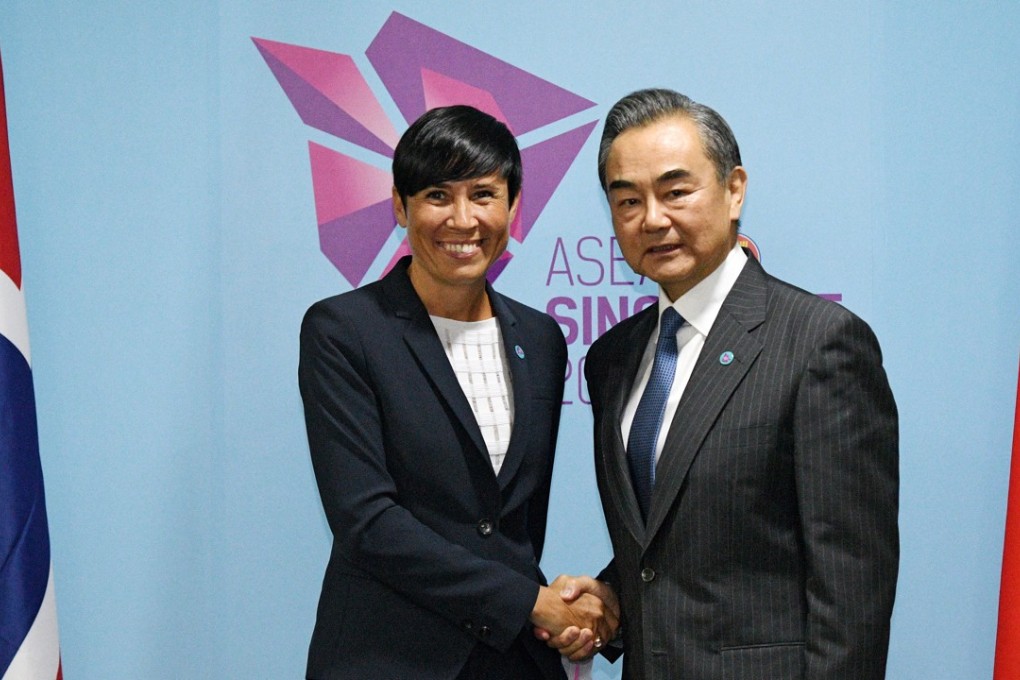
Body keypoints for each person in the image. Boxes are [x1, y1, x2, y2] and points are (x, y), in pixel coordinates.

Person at [544, 89, 899, 679]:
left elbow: (852, 586)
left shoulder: (819, 342)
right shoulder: (613, 357)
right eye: (628, 200)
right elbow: (680, 544)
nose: (652, 218)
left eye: (676, 191)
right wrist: (611, 600)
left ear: (734, 189)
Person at [298, 104, 616, 680]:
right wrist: (527, 602)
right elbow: (366, 522)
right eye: (437, 195)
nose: (463, 219)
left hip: (515, 659)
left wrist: (555, 615)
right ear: (401, 205)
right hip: (386, 657)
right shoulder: (344, 330)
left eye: (484, 195)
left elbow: (516, 526)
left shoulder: (541, 340)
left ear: (514, 209)